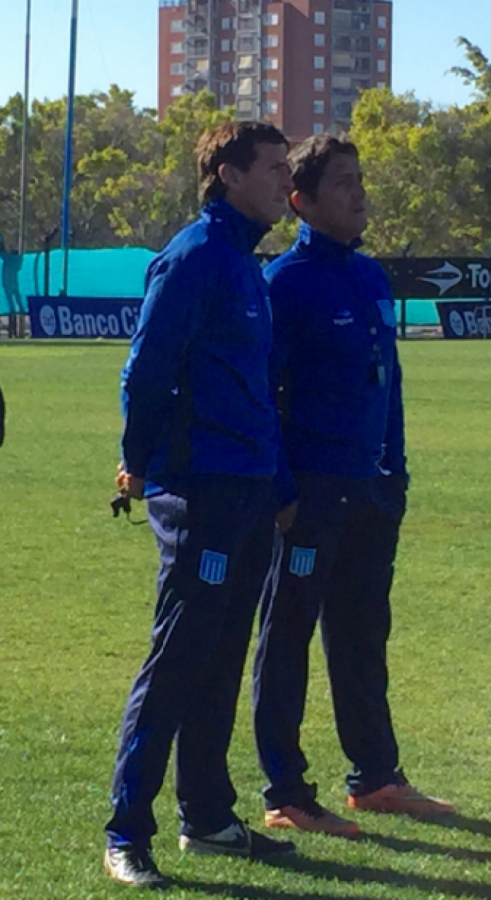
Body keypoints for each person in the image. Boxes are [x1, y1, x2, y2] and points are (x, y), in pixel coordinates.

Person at [104, 121, 295, 888]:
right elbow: (146, 373)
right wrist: (138, 464)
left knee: (218, 663)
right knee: (178, 659)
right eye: (275, 168)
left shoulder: (247, 264)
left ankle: (207, 817)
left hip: (248, 494)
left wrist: (277, 488)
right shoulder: (194, 257)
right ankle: (126, 831)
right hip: (202, 494)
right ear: (227, 172)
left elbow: (257, 394)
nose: (289, 182)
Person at [252, 134, 455, 838]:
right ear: (302, 202)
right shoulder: (283, 282)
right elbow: (262, 396)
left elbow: (388, 384)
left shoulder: (369, 276)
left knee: (364, 634)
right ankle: (285, 791)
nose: (361, 193)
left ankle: (376, 778)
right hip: (309, 497)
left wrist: (395, 471)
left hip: (371, 494)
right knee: (287, 636)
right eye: (344, 183)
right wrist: (283, 488)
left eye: (362, 179)